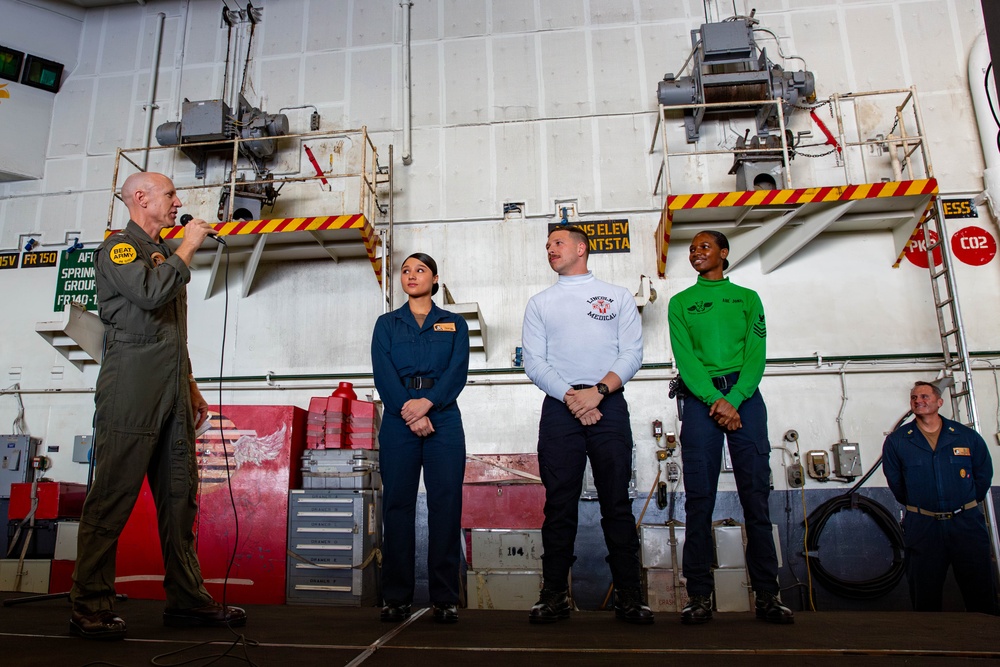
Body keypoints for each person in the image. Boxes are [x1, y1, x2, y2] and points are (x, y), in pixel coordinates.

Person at [70, 172, 246, 640]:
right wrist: (189, 246)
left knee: (179, 499)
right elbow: (148, 296)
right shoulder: (118, 250)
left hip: (170, 388)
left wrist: (189, 385)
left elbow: (172, 330)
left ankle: (187, 600)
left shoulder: (165, 254)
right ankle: (90, 605)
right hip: (131, 386)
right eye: (170, 194)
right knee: (112, 498)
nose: (177, 202)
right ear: (141, 198)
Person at [521, 225, 653, 625]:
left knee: (617, 502)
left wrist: (597, 391)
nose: (550, 250)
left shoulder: (617, 297)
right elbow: (534, 362)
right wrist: (575, 399)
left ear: (582, 248)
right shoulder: (540, 303)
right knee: (559, 505)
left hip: (607, 405)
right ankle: (555, 595)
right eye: (547, 246)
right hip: (562, 408)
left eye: (557, 243)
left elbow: (632, 353)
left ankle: (629, 597)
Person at [667, 230, 793, 625]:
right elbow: (685, 359)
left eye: (705, 247)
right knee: (698, 501)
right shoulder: (680, 303)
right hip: (702, 400)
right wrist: (713, 400)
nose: (696, 253)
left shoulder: (747, 299)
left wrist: (734, 400)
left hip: (745, 399)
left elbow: (756, 355)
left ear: (723, 253)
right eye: (692, 249)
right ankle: (699, 596)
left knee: (755, 498)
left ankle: (769, 595)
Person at [371, 253, 470, 624]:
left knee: (445, 505)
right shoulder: (386, 324)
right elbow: (383, 375)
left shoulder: (454, 324)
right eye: (406, 271)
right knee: (398, 506)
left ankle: (445, 598)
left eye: (420, 270)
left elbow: (457, 373)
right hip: (400, 420)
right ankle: (396, 597)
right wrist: (409, 412)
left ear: (435, 279)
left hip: (443, 416)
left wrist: (428, 404)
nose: (411, 276)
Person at [882, 381, 997, 613]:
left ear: (939, 402)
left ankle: (986, 645)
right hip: (924, 527)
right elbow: (896, 484)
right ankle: (931, 647)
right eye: (914, 398)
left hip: (965, 524)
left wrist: (964, 503)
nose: (918, 401)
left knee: (981, 592)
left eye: (924, 396)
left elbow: (983, 475)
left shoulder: (966, 437)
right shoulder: (898, 441)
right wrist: (923, 505)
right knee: (925, 595)